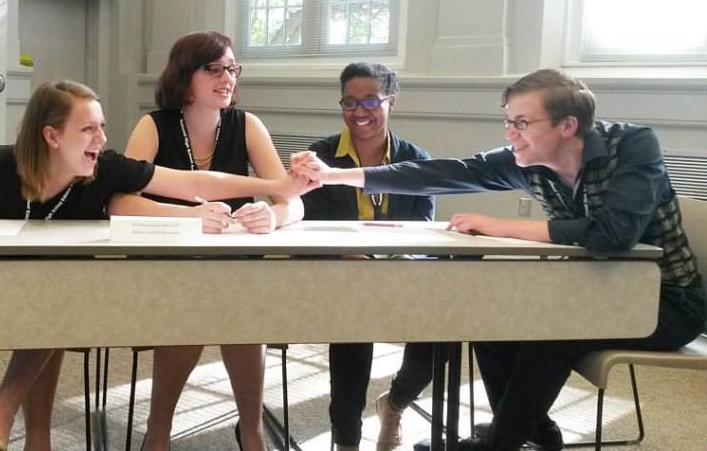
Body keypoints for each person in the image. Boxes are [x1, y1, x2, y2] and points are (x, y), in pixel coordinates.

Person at [291, 68, 705, 451]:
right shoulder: (529, 160)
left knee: (557, 328)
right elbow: (442, 173)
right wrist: (335, 175)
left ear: (568, 126)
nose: (511, 134)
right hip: (595, 289)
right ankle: (532, 430)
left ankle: (501, 442)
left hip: (665, 302)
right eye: (508, 122)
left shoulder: (633, 146)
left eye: (522, 123)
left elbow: (615, 232)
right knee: (491, 314)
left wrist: (499, 225)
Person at [0, 80, 309, 451]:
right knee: (52, 304)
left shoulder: (103, 171)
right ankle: (7, 415)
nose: (102, 139)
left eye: (102, 127)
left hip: (49, 301)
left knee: (54, 302)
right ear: (51, 136)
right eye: (89, 129)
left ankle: (10, 420)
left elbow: (194, 182)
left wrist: (278, 188)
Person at [109, 31, 304, 451]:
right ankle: (159, 429)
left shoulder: (247, 124)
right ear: (184, 76)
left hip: (235, 263)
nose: (226, 77)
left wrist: (273, 214)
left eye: (232, 68)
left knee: (242, 305)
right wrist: (188, 218)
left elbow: (292, 199)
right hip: (170, 261)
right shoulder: (154, 125)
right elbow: (120, 202)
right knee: (196, 301)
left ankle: (250, 428)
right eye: (213, 69)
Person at [299, 62, 435, 451]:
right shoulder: (321, 157)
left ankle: (395, 403)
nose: (359, 112)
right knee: (352, 340)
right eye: (350, 102)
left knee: (441, 333)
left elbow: (422, 229)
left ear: (393, 102)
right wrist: (349, 256)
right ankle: (346, 440)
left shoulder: (415, 159)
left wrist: (402, 262)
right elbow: (311, 224)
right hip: (343, 275)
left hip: (401, 274)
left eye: (371, 101)